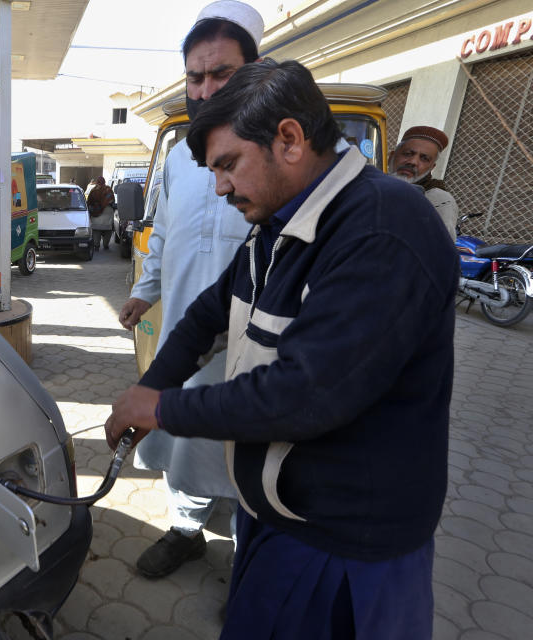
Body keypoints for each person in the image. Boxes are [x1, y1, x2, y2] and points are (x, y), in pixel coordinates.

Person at [105, 59, 458, 639]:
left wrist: (164, 411)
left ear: (289, 140)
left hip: (343, 546)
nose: (219, 187)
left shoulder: (384, 227)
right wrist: (152, 385)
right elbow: (204, 317)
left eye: (228, 165)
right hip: (279, 521)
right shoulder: (280, 225)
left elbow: (306, 394)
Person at [116, 0, 262, 579]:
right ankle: (184, 531)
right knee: (183, 438)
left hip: (256, 341)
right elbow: (166, 235)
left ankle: (247, 560)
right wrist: (144, 290)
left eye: (221, 73)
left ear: (255, 68)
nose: (205, 89)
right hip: (185, 325)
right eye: (195, 76)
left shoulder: (281, 151)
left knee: (247, 449)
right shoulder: (180, 156)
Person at [390, 126, 458, 240]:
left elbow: (438, 248)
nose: (413, 162)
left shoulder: (439, 199)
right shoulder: (371, 185)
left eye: (424, 158)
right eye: (407, 154)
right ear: (391, 156)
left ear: (432, 167)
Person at [87, 176, 115, 251]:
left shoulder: (93, 191)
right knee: (108, 230)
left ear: (97, 182)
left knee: (96, 231)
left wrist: (93, 210)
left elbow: (89, 202)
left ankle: (96, 246)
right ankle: (106, 245)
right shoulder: (108, 189)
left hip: (95, 213)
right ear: (104, 181)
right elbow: (112, 201)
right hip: (107, 211)